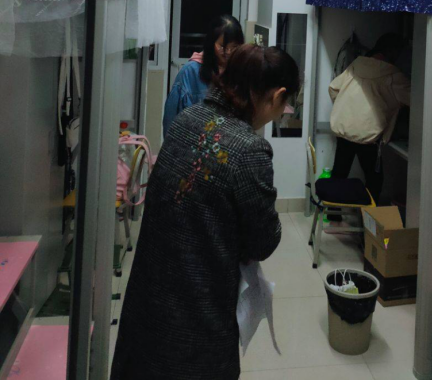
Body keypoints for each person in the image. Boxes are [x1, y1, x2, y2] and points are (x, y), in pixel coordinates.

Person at [111, 44, 300, 381]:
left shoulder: (188, 118)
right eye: (283, 105)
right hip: (195, 316)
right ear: (277, 96)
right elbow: (263, 241)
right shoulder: (249, 149)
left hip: (147, 303)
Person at [329, 32, 411, 204]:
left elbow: (333, 88)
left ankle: (333, 215)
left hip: (344, 128)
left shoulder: (356, 65)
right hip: (369, 136)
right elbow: (414, 100)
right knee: (374, 180)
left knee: (339, 173)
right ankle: (368, 217)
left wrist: (344, 108)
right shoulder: (393, 75)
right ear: (393, 52)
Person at [163, 14, 244, 136]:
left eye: (234, 47)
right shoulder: (190, 71)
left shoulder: (241, 71)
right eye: (222, 46)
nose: (227, 52)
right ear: (211, 43)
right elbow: (171, 121)